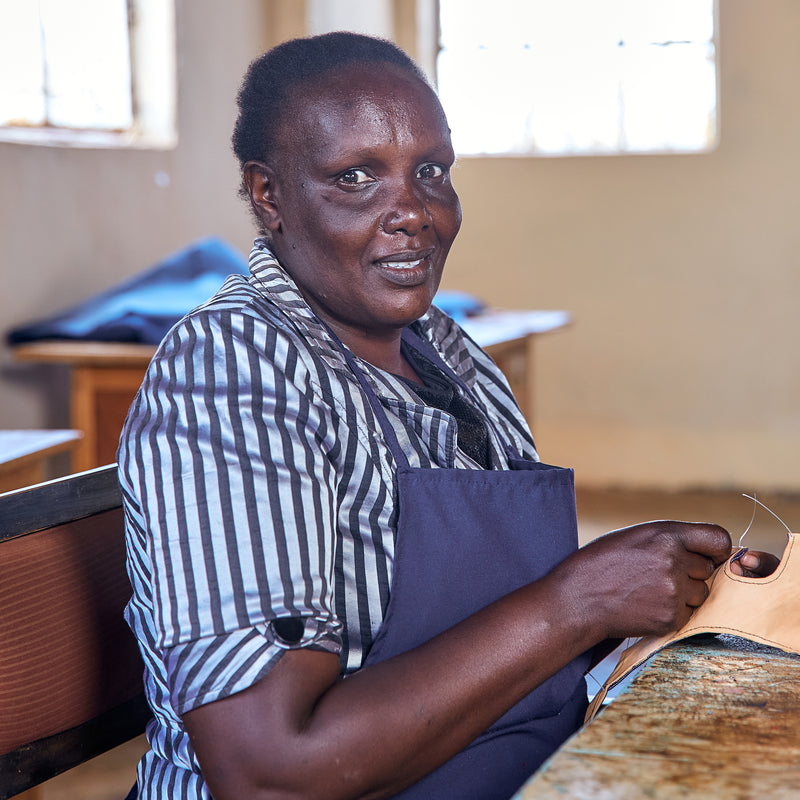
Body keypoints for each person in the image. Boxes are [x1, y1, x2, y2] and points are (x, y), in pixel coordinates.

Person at [118, 31, 778, 800]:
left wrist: (668, 599)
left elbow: (490, 628)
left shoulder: (444, 351)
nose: (413, 213)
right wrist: (576, 601)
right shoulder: (234, 370)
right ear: (269, 195)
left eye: (431, 171)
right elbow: (270, 770)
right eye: (356, 177)